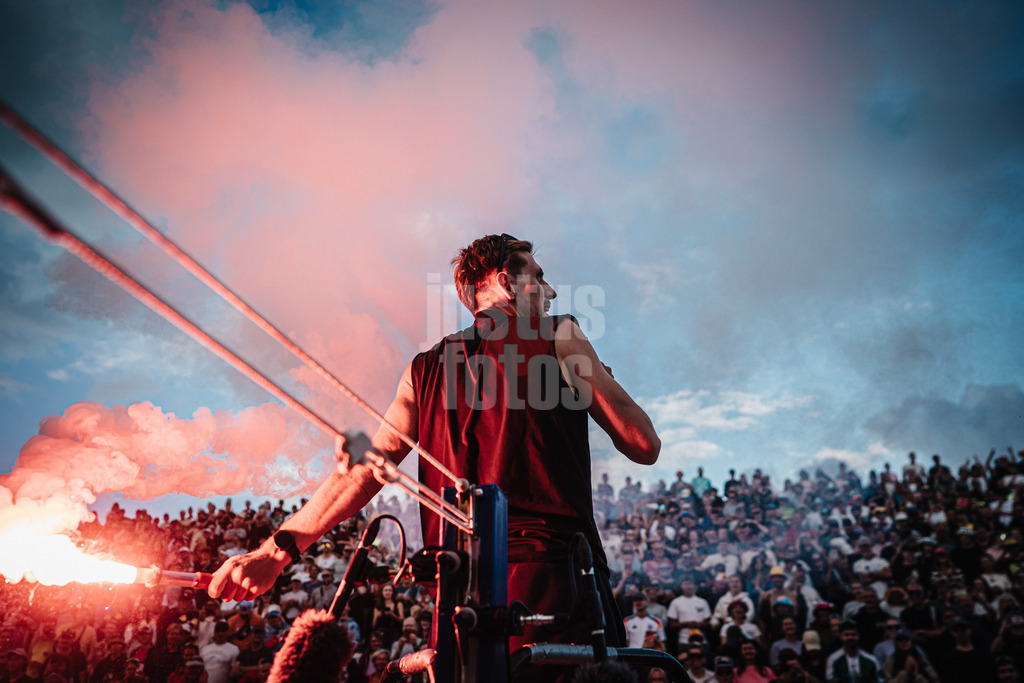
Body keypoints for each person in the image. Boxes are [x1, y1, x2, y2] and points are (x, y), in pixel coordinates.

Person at [210, 234, 661, 654]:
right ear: (507, 281)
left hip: (457, 602)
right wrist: (600, 378)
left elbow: (367, 469)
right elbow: (642, 443)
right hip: (553, 587)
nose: (551, 292)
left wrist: (276, 550)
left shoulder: (423, 369)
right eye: (538, 277)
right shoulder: (560, 334)